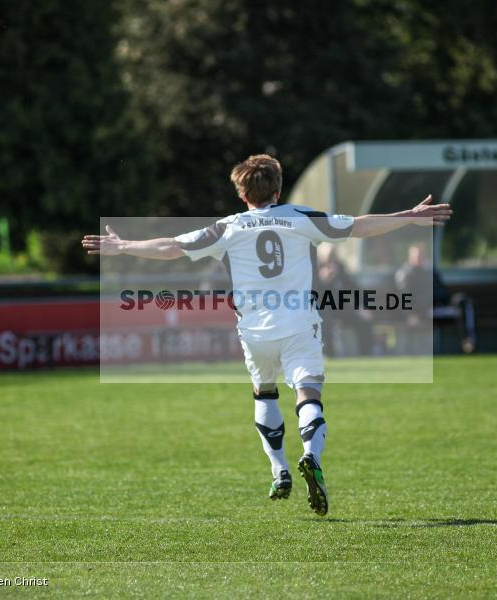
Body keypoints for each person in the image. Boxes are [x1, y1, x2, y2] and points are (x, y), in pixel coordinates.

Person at [83, 154, 451, 516]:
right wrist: (409, 217)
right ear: (278, 189)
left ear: (242, 195)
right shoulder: (301, 218)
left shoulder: (227, 228)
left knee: (265, 391)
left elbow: (173, 247)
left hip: (255, 331)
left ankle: (280, 471)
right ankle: (311, 455)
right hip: (299, 324)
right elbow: (357, 226)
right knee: (308, 392)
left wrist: (123, 247)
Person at [394, 242, 476, 353]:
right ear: (410, 257)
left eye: (421, 256)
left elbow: (443, 292)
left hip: (437, 308)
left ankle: (468, 340)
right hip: (421, 312)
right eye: (416, 256)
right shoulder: (406, 274)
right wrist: (409, 315)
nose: (419, 259)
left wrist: (449, 300)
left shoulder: (431, 272)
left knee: (465, 302)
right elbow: (403, 296)